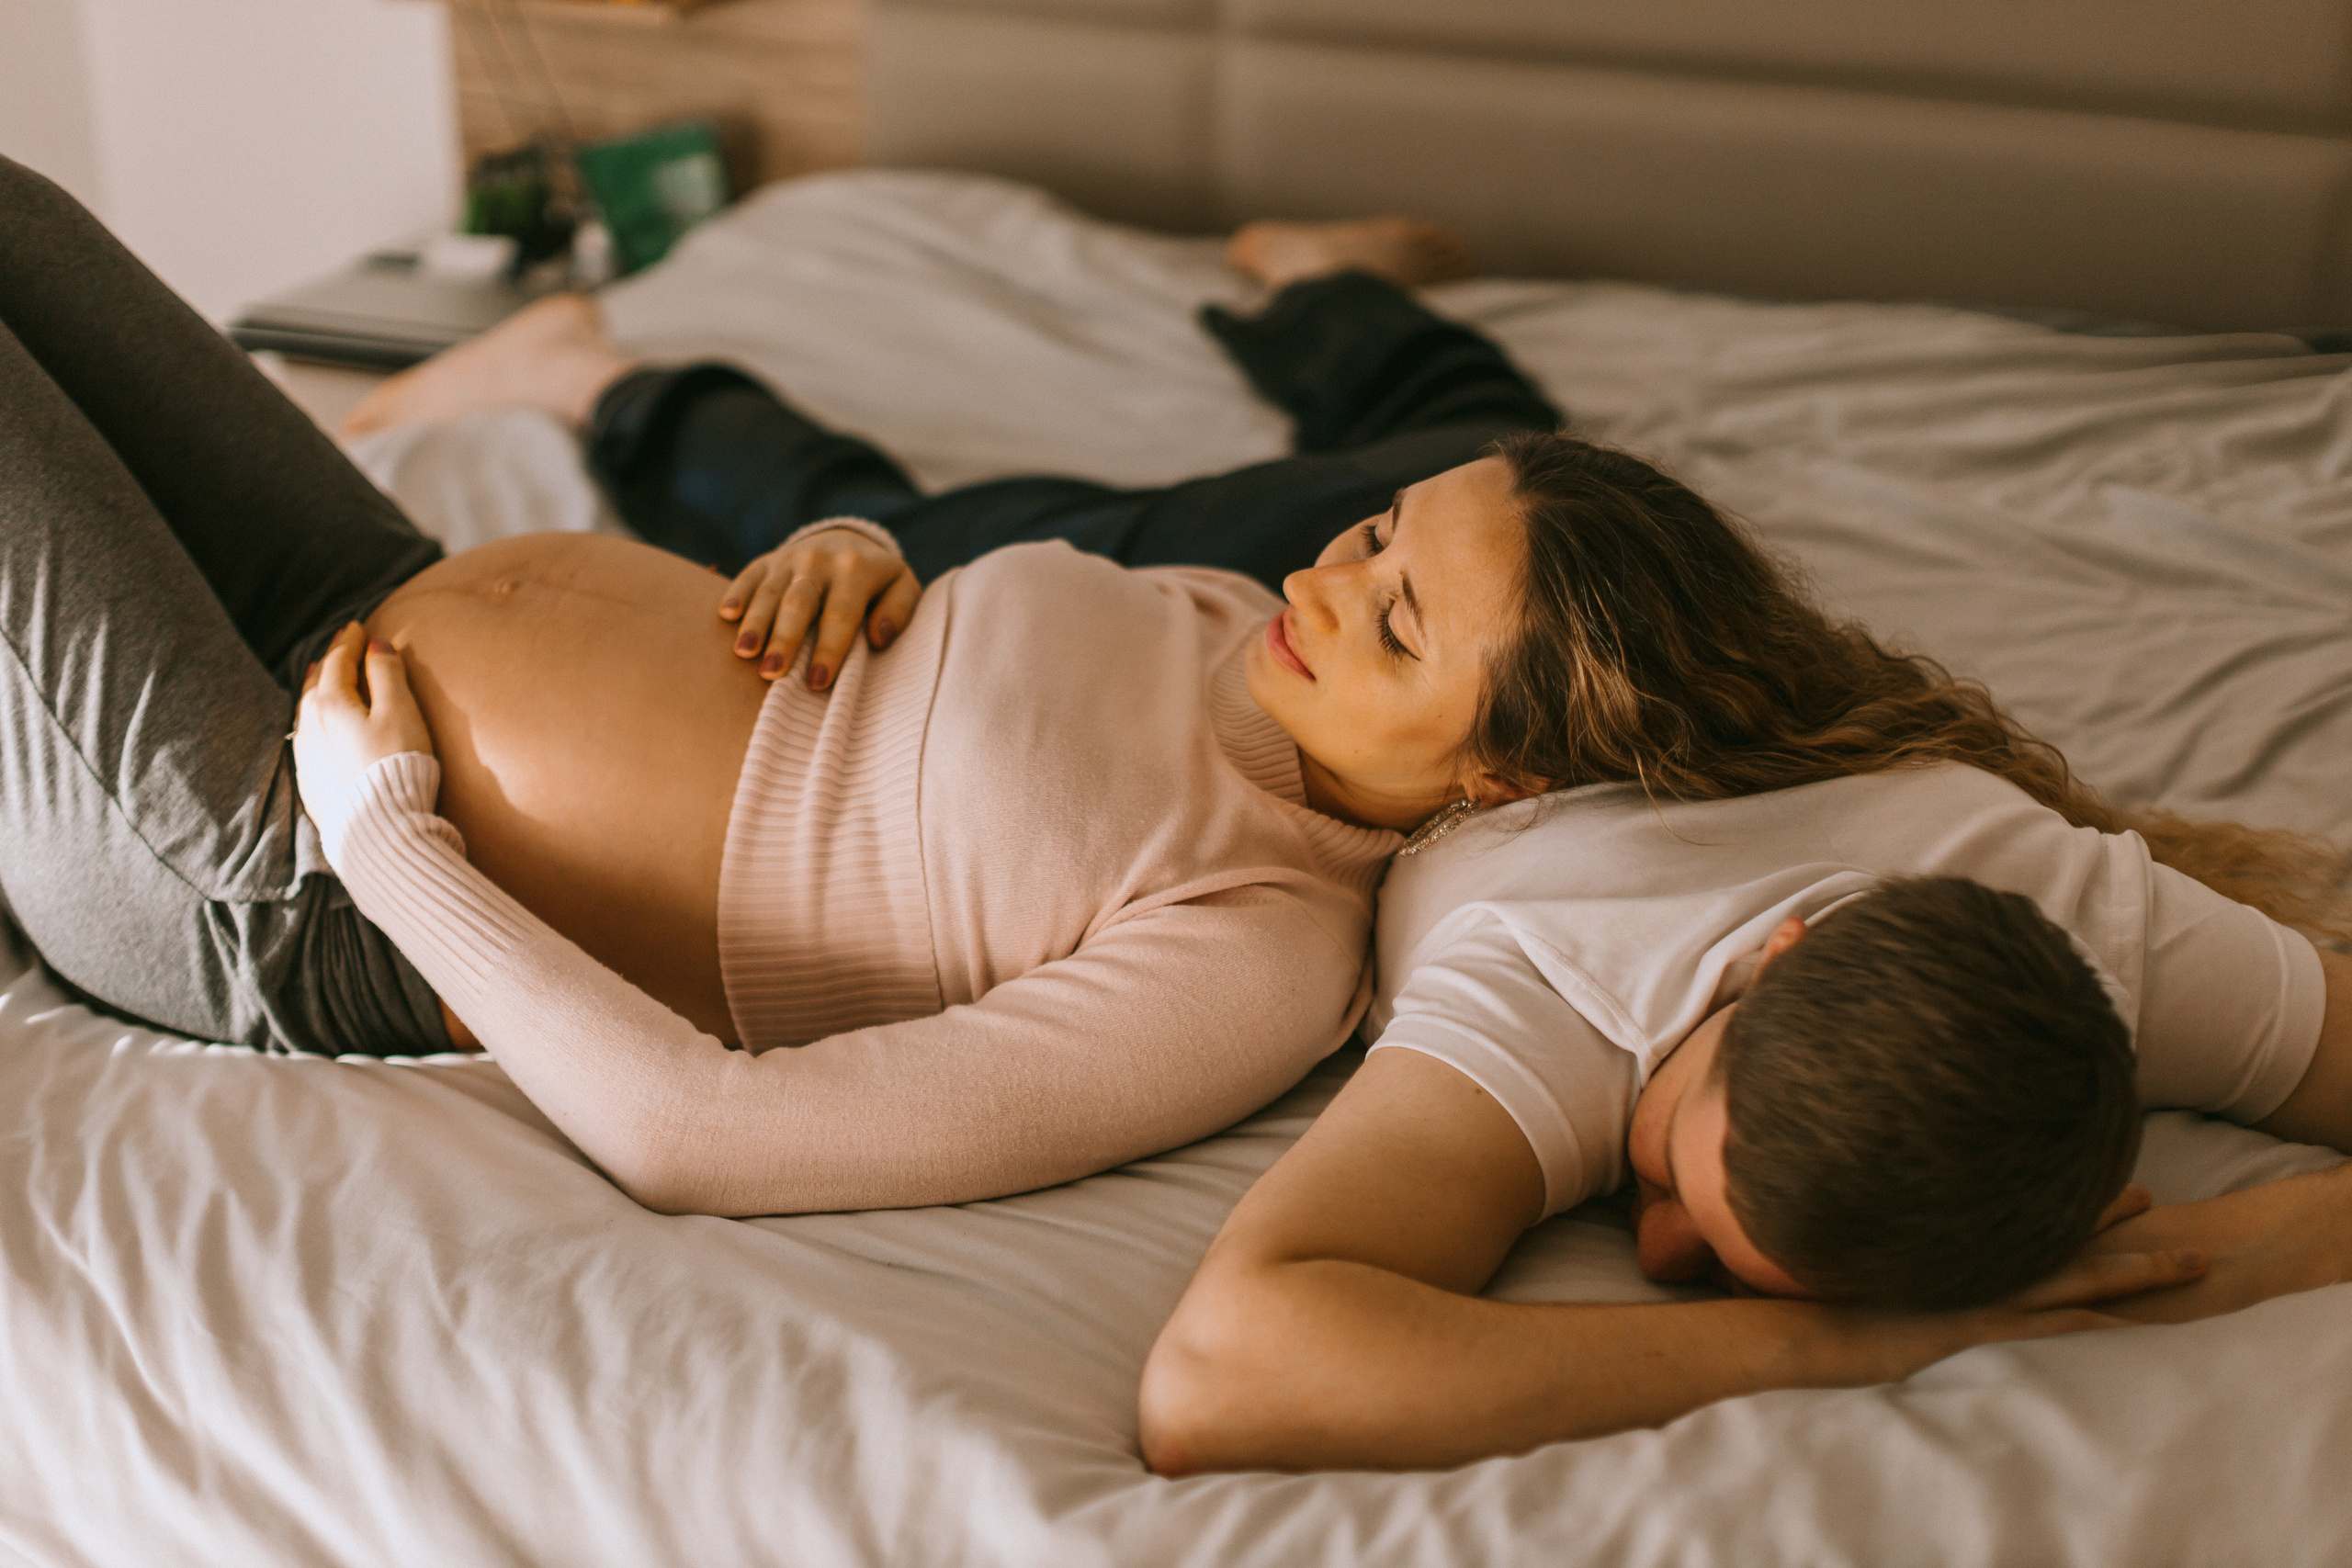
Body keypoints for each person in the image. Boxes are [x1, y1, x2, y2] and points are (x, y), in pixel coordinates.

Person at [0, 158, 1555, 1218]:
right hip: (364, 585)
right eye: (1374, 533)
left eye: (1398, 626)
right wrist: (849, 551)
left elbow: (699, 1139)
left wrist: (386, 842)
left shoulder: (1260, 954)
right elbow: (926, 692)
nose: (1318, 586)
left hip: (282, 876)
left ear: (1505, 777)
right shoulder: (1237, 622)